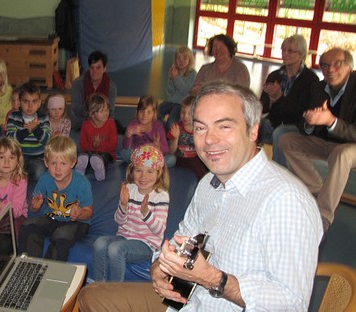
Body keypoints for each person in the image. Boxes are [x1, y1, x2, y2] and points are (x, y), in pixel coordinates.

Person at [78, 82, 323, 311]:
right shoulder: (208, 184)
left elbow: (292, 304)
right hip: (184, 298)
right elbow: (180, 241)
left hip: (214, 303)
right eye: (200, 127)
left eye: (224, 126)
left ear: (253, 130)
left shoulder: (287, 202)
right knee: (89, 297)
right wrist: (158, 268)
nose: (209, 140)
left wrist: (213, 279)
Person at [278, 47, 356, 233]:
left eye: (337, 64)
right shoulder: (318, 88)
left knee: (341, 153)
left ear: (350, 67)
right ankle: (316, 188)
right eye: (325, 65)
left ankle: (323, 216)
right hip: (324, 144)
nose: (330, 69)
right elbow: (305, 129)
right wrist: (311, 122)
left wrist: (331, 121)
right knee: (286, 140)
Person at [93, 145, 169, 282]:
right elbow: (119, 221)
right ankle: (99, 284)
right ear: (132, 171)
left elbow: (159, 231)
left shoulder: (161, 196)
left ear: (159, 173)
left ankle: (115, 290)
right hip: (124, 237)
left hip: (146, 244)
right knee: (99, 243)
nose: (143, 176)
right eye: (138, 170)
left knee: (116, 249)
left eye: (150, 172)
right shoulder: (129, 188)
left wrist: (146, 213)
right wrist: (123, 204)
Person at [18, 135, 93, 261]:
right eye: (53, 163)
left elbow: (88, 213)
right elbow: (35, 205)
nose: (58, 168)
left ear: (73, 163)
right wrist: (35, 206)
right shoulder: (45, 179)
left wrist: (79, 213)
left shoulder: (82, 183)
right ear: (46, 163)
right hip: (52, 218)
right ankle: (29, 265)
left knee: (61, 235)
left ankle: (50, 270)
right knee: (27, 226)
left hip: (76, 223)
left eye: (63, 163)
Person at [259, 34, 319, 166]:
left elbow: (301, 112)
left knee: (279, 134)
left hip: (295, 125)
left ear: (302, 54)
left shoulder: (310, 80)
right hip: (274, 121)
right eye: (283, 50)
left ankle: (279, 172)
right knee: (256, 126)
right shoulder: (275, 75)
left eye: (291, 51)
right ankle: (260, 166)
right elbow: (262, 106)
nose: (285, 54)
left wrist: (279, 98)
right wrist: (270, 100)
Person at [6, 83, 51, 181]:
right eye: (25, 101)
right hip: (18, 158)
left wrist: (36, 129)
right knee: (4, 168)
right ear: (19, 102)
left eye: (34, 101)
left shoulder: (43, 118)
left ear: (39, 103)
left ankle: (23, 176)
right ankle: (21, 175)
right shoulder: (13, 116)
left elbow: (47, 140)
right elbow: (10, 140)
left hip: (37, 158)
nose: (30, 106)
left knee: (40, 173)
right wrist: (27, 131)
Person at [121, 95, 176, 168]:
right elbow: (125, 146)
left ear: (154, 114)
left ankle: (143, 164)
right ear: (137, 112)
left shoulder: (158, 126)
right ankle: (147, 164)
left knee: (171, 159)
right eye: (142, 111)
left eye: (149, 112)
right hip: (138, 155)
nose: (144, 115)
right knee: (125, 153)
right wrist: (128, 133)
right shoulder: (133, 123)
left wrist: (158, 147)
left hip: (152, 156)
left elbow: (166, 150)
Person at [76, 93, 117, 181]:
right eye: (102, 111)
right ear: (92, 114)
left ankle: (100, 170)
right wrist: (93, 145)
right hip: (91, 153)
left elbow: (113, 146)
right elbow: (83, 145)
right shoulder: (86, 125)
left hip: (106, 153)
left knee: (103, 157)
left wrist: (99, 145)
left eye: (107, 110)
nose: (106, 113)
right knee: (85, 156)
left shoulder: (111, 123)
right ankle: (80, 169)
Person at [71, 50, 117, 128]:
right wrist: (97, 115)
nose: (94, 71)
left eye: (98, 67)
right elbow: (76, 109)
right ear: (88, 68)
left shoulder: (111, 87)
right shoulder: (77, 84)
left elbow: (111, 112)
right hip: (82, 122)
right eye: (92, 67)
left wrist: (97, 117)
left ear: (104, 68)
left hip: (103, 123)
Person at [168, 96, 208, 180]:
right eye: (183, 112)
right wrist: (175, 138)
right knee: (195, 164)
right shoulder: (176, 127)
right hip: (181, 159)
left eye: (189, 113)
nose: (185, 116)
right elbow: (171, 152)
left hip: (197, 158)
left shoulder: (200, 128)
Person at [158, 46, 197, 130]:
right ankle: (162, 132)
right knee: (155, 114)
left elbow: (186, 90)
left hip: (181, 103)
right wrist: (171, 79)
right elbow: (169, 91)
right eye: (178, 58)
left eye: (184, 58)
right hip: (170, 101)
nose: (181, 61)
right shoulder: (174, 71)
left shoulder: (193, 74)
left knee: (171, 123)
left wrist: (175, 78)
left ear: (189, 59)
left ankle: (169, 138)